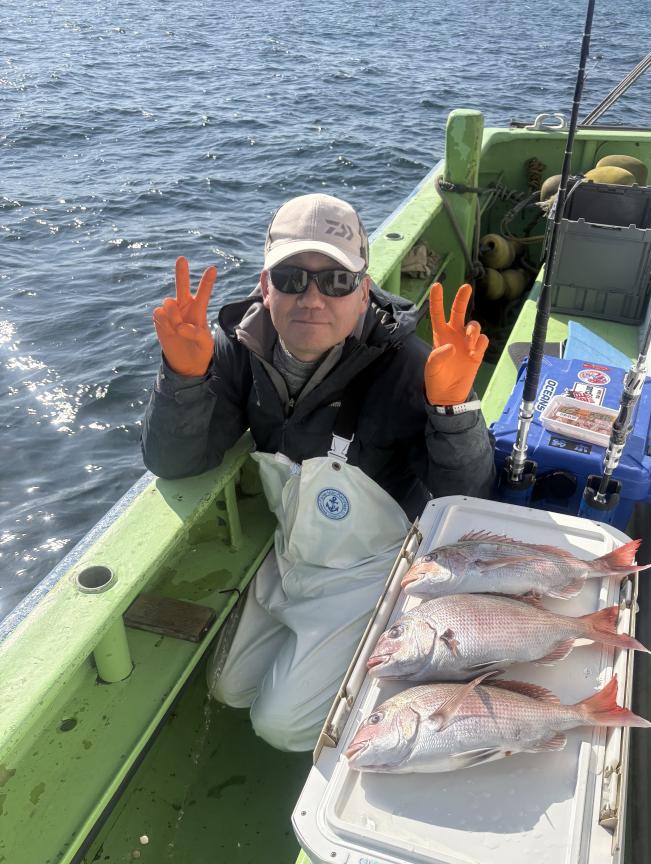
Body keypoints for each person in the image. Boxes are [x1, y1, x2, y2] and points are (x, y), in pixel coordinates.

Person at [142, 192, 495, 751]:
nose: (312, 298)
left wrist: (453, 409)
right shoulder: (237, 351)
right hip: (292, 548)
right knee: (228, 687)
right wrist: (184, 378)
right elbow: (175, 462)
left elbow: (468, 495)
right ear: (265, 286)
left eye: (335, 281)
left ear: (363, 290)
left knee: (280, 726)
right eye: (291, 278)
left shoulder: (409, 367)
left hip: (373, 568)